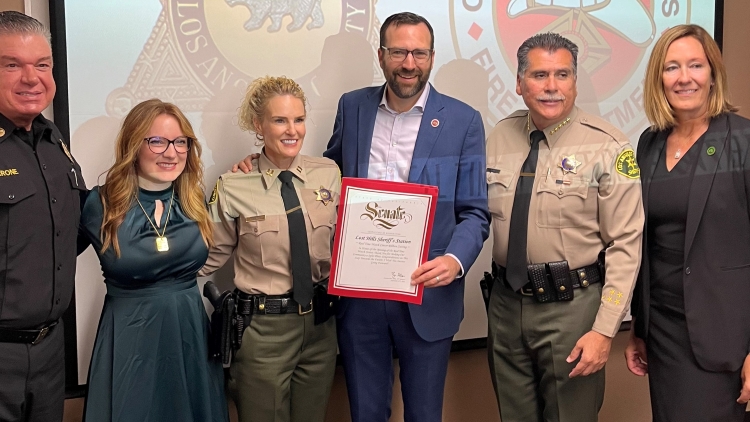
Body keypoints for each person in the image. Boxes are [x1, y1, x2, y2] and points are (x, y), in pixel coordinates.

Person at [323, 12, 489, 422]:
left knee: (424, 414)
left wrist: (453, 261)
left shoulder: (463, 120)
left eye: (418, 53)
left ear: (432, 57)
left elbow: (475, 211)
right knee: (365, 412)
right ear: (381, 55)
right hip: (360, 295)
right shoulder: (353, 107)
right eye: (399, 52)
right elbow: (326, 179)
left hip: (428, 292)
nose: (409, 63)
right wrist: (265, 164)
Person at [485, 32, 643, 421]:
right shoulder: (499, 136)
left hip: (573, 309)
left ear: (575, 82)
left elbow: (626, 244)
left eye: (563, 75)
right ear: (519, 83)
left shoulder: (610, 146)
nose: (552, 87)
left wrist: (605, 329)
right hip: (505, 306)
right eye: (539, 75)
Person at [625, 24, 750, 421]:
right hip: (662, 331)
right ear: (658, 78)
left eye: (695, 65)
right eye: (671, 67)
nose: (684, 78)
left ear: (713, 73)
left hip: (724, 334)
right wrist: (639, 326)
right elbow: (647, 242)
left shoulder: (743, 141)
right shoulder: (650, 142)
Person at [201, 76, 340, 422]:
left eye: (299, 119)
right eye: (279, 120)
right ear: (258, 125)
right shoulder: (233, 186)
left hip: (321, 329)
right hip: (263, 333)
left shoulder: (329, 174)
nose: (292, 130)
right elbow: (208, 258)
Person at [78, 99, 228, 422]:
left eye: (180, 142)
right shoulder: (99, 204)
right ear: (134, 145)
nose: (171, 152)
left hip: (190, 337)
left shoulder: (194, 201)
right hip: (130, 341)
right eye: (157, 141)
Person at [0, 11, 87, 422]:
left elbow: (75, 228)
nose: (31, 78)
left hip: (50, 352)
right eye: (11, 64)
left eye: (42, 65)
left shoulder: (53, 142)